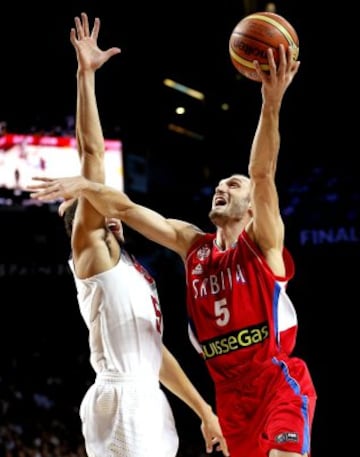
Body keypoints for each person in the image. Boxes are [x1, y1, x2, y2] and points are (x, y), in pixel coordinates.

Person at [29, 29, 317, 457]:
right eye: (220, 183)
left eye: (231, 184)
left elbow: (262, 173)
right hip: (177, 397)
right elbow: (115, 191)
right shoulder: (170, 246)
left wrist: (202, 411)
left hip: (255, 387)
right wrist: (87, 182)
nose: (221, 186)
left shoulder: (248, 246)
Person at [41, 12, 229, 457]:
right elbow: (92, 156)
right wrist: (85, 76)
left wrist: (204, 411)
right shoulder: (91, 250)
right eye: (86, 200)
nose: (97, 197)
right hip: (123, 399)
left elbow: (154, 352)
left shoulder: (128, 267)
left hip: (147, 397)